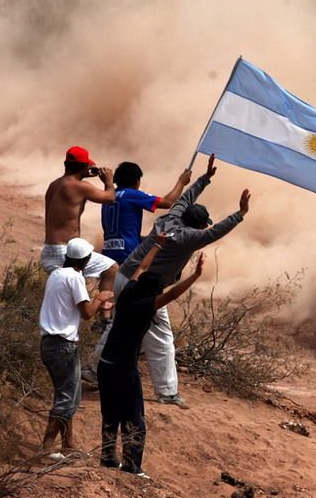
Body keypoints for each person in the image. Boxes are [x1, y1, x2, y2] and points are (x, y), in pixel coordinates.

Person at [90, 153, 250, 406]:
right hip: (143, 288)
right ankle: (166, 392)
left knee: (118, 326)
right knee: (161, 338)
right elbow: (215, 231)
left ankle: (92, 369)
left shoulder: (170, 218)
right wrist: (240, 213)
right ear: (198, 227)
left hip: (125, 274)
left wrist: (205, 178)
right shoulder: (189, 237)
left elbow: (185, 198)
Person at [98, 234, 204, 478]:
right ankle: (132, 466)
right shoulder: (145, 305)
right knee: (134, 417)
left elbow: (141, 267)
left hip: (106, 365)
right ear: (153, 293)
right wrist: (196, 276)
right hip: (124, 369)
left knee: (110, 414)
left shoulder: (128, 293)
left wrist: (157, 244)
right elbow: (173, 294)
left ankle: (107, 457)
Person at [38, 238, 113, 460]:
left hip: (49, 343)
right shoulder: (75, 277)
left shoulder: (56, 275)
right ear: (86, 260)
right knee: (67, 397)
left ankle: (68, 444)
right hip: (63, 345)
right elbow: (87, 313)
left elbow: (71, 306)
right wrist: (100, 298)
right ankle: (47, 447)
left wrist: (100, 303)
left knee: (67, 393)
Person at [41, 146, 118, 321]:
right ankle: (104, 317)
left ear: (65, 164)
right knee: (111, 268)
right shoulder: (80, 186)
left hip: (49, 250)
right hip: (67, 251)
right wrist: (108, 180)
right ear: (85, 166)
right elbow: (110, 197)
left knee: (64, 296)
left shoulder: (54, 185)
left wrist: (83, 172)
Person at [101, 162, 192, 264]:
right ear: (136, 181)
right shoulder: (131, 194)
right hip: (127, 253)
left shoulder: (108, 197)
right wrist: (181, 182)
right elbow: (167, 202)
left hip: (108, 253)